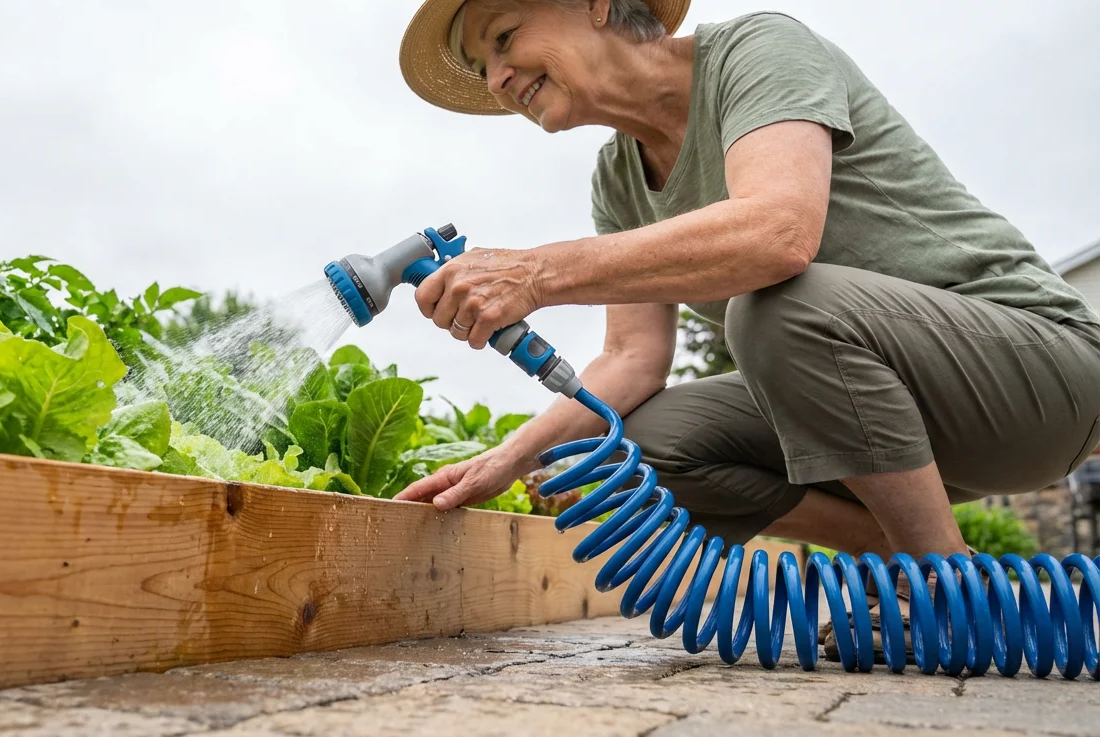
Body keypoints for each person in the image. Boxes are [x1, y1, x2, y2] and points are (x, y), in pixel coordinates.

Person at [390, 0, 1100, 657]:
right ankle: (921, 564)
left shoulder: (758, 52)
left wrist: (539, 274)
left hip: (1042, 376)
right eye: (483, 68)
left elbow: (778, 233)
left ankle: (940, 588)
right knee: (629, 452)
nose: (498, 78)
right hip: (891, 427)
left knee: (775, 304)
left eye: (504, 38)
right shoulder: (618, 180)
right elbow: (631, 361)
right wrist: (503, 462)